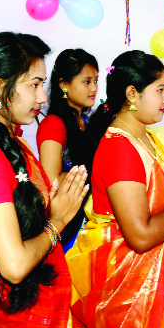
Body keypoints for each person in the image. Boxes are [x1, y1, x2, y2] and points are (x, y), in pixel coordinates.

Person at [66, 50, 164, 328]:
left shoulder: (147, 138)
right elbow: (140, 236)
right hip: (135, 290)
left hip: (155, 280)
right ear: (132, 94)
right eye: (160, 90)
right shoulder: (120, 149)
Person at [0, 32, 89, 328]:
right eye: (33, 84)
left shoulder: (12, 144)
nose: (42, 97)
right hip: (11, 326)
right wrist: (57, 221)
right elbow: (13, 264)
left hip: (31, 310)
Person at [37, 49, 98, 251]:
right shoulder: (53, 124)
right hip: (66, 221)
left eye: (96, 80)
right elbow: (50, 180)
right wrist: (92, 170)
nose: (94, 88)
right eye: (87, 81)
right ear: (63, 85)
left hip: (91, 217)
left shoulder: (88, 123)